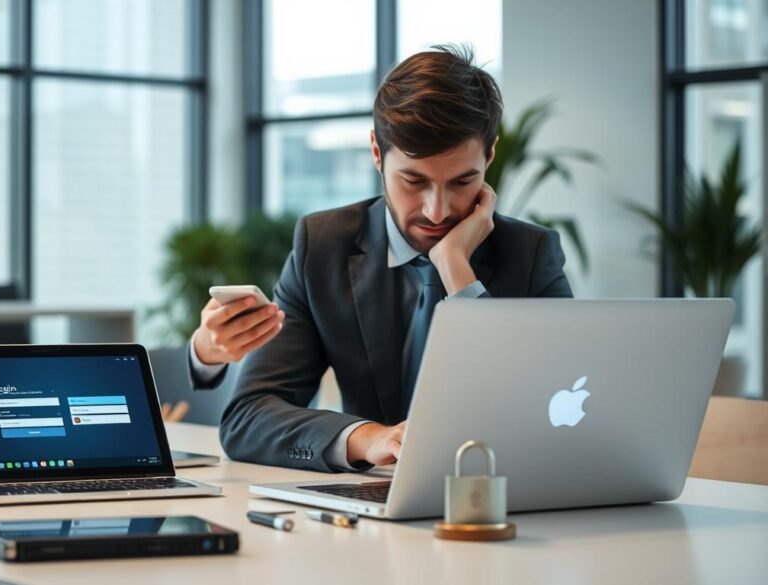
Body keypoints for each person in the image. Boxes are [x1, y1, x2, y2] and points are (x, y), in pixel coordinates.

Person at [189, 45, 573, 472]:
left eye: (463, 182)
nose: (437, 211)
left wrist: (456, 270)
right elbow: (248, 418)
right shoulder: (323, 246)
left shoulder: (532, 254)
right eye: (414, 181)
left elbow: (558, 410)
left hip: (500, 492)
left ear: (490, 156)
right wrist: (367, 438)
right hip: (372, 499)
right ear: (376, 152)